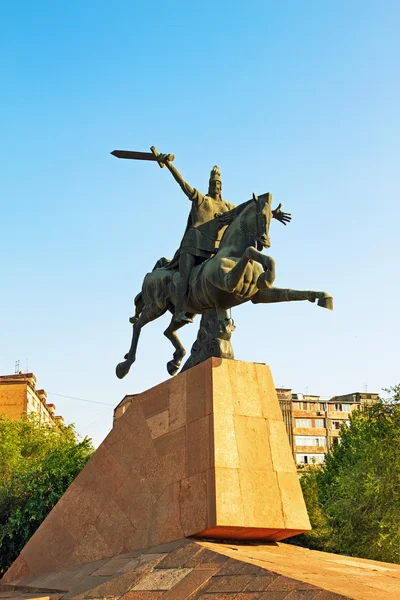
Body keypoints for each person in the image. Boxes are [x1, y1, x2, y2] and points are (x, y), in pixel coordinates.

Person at [159, 156, 236, 323]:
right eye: (213, 184)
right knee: (184, 277)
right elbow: (183, 185)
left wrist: (270, 213)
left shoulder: (227, 207)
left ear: (221, 187)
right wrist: (169, 165)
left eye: (218, 185)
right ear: (209, 186)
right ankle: (179, 311)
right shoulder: (202, 200)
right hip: (193, 246)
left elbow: (247, 212)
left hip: (213, 251)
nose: (216, 187)